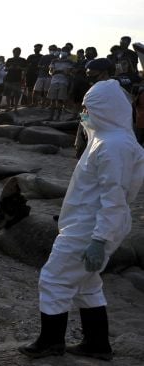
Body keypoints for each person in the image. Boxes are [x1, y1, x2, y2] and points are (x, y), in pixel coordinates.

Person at [18, 58, 144, 361]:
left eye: (88, 108)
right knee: (87, 282)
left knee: (54, 279)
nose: (83, 113)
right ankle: (97, 344)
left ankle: (51, 342)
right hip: (88, 224)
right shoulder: (109, 139)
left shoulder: (113, 146)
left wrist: (100, 240)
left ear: (104, 109)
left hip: (90, 227)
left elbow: (114, 197)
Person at [47, 46, 74, 121]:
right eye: (63, 50)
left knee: (60, 100)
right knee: (52, 100)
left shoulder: (70, 62)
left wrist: (59, 71)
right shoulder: (54, 60)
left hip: (64, 82)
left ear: (68, 53)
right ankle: (51, 116)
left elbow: (69, 72)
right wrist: (53, 72)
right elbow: (50, 71)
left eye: (66, 51)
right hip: (54, 81)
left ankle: (58, 117)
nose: (64, 52)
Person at [4, 47, 27, 112]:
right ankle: (8, 107)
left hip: (18, 79)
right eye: (16, 52)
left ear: (20, 52)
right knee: (7, 94)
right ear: (13, 52)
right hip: (8, 79)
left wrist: (20, 68)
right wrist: (9, 68)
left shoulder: (23, 60)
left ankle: (16, 107)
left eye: (19, 52)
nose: (17, 53)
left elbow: (26, 69)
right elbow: (5, 69)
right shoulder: (9, 59)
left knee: (17, 94)